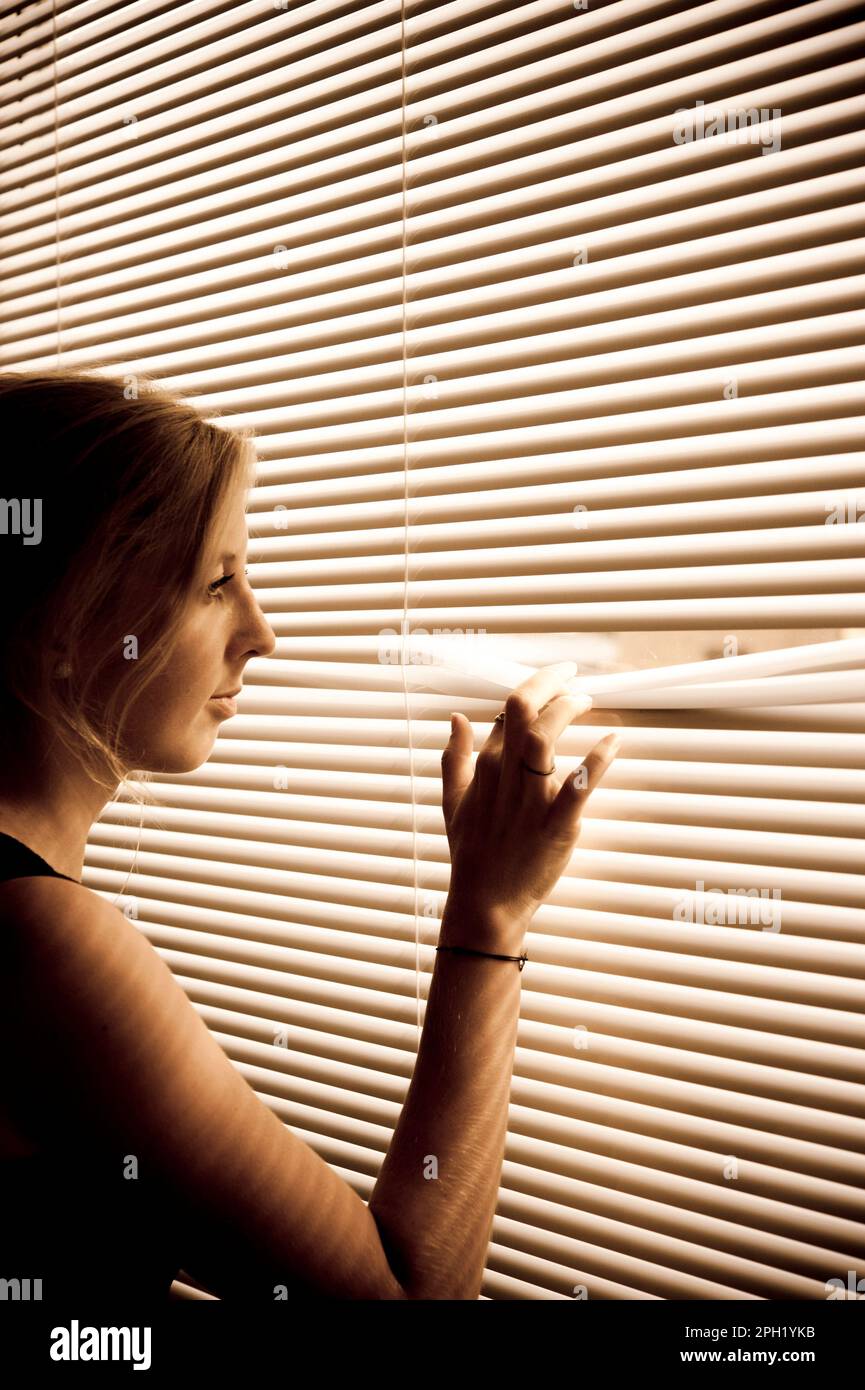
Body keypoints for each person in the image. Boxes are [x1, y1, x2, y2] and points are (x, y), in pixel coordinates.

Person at [0, 368, 620, 1302]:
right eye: (217, 583)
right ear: (65, 625)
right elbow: (408, 1296)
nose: (262, 631)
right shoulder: (43, 942)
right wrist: (490, 913)